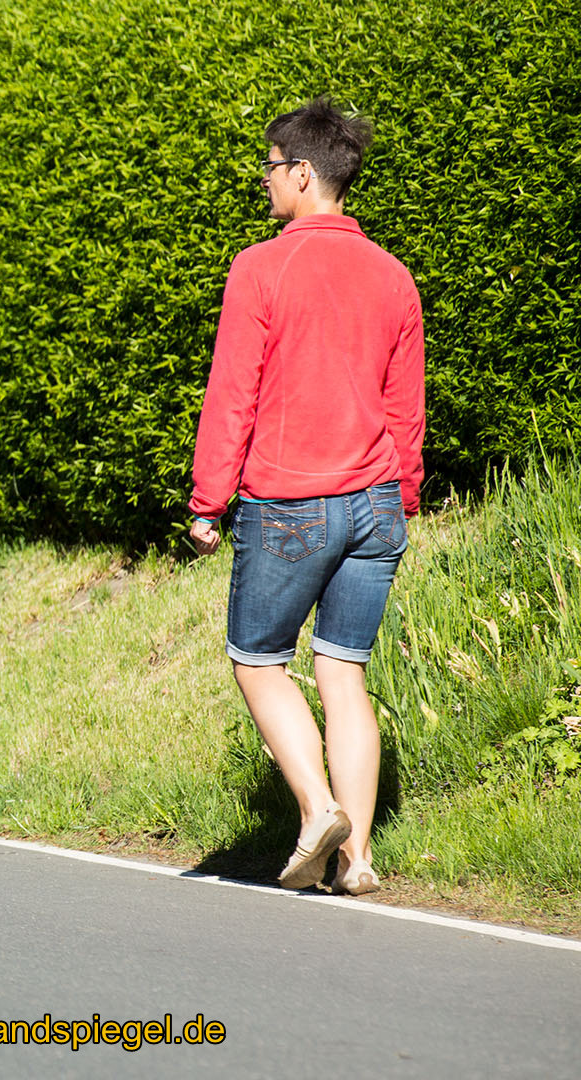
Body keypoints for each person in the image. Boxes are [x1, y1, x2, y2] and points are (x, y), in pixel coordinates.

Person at [187, 99, 424, 897]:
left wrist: (207, 502)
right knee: (344, 672)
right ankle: (358, 860)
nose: (263, 183)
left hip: (291, 501)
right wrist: (404, 498)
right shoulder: (394, 275)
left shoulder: (261, 267)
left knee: (256, 661)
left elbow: (233, 395)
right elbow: (405, 407)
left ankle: (317, 807)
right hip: (376, 501)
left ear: (302, 174)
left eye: (269, 167)